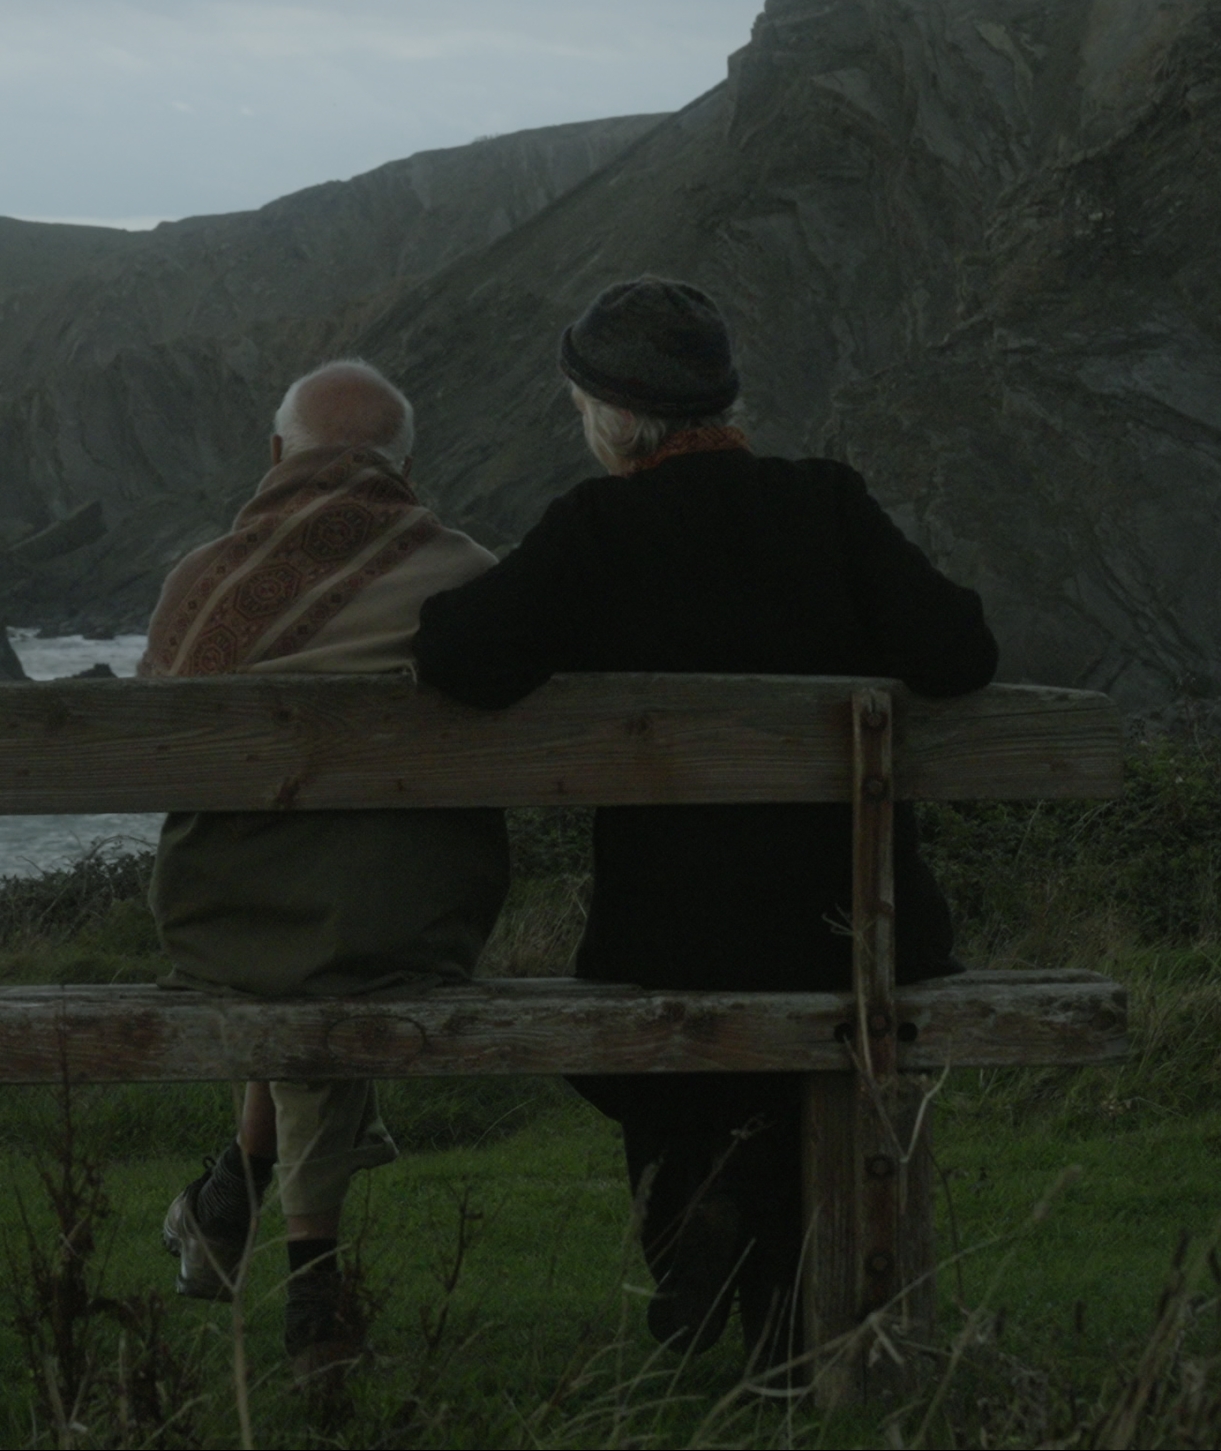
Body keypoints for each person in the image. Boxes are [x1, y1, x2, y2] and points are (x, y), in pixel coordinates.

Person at [410, 277, 995, 1361]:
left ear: (609, 416)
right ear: (724, 403)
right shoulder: (826, 501)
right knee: (776, 1037)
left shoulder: (597, 529)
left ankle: (701, 1227)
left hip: (667, 944)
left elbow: (454, 659)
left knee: (663, 1045)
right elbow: (960, 650)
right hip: (860, 935)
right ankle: (779, 1300)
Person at [144, 359, 507, 1370]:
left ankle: (245, 1213)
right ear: (404, 464)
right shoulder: (468, 575)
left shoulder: (203, 580)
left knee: (297, 932)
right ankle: (300, 1278)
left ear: (274, 457)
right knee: (342, 918)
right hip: (416, 918)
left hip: (222, 915)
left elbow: (153, 737)